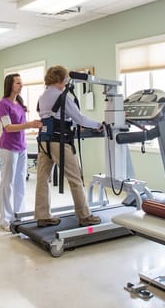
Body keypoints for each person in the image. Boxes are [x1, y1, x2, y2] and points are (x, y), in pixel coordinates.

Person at [35, 65, 102, 227]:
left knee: (42, 179)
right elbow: (80, 119)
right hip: (59, 142)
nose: (66, 81)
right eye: (65, 78)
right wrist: (99, 124)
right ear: (61, 79)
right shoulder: (62, 96)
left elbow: (54, 117)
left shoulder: (42, 96)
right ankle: (84, 216)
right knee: (75, 179)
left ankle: (43, 216)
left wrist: (69, 123)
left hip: (44, 141)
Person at [0, 73, 43, 231]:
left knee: (20, 183)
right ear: (10, 85)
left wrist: (34, 126)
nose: (21, 85)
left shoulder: (19, 103)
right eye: (18, 83)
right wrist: (30, 124)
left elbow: (22, 127)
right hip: (8, 147)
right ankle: (5, 220)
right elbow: (8, 128)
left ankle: (20, 215)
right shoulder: (3, 104)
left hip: (21, 147)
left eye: (21, 83)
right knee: (7, 183)